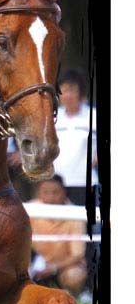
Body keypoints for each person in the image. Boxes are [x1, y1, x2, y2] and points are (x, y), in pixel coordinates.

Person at [28, 176, 87, 296]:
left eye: (55, 192)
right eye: (45, 192)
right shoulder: (29, 209)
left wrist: (53, 268)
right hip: (34, 266)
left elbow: (77, 254)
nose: (50, 197)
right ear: (38, 192)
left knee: (75, 275)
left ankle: (71, 298)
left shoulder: (76, 215)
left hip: (64, 267)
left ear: (64, 192)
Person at [54, 69, 98, 207]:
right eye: (64, 90)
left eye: (72, 90)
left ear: (80, 92)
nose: (68, 95)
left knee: (89, 227)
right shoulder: (53, 117)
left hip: (86, 183)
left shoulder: (93, 115)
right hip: (56, 185)